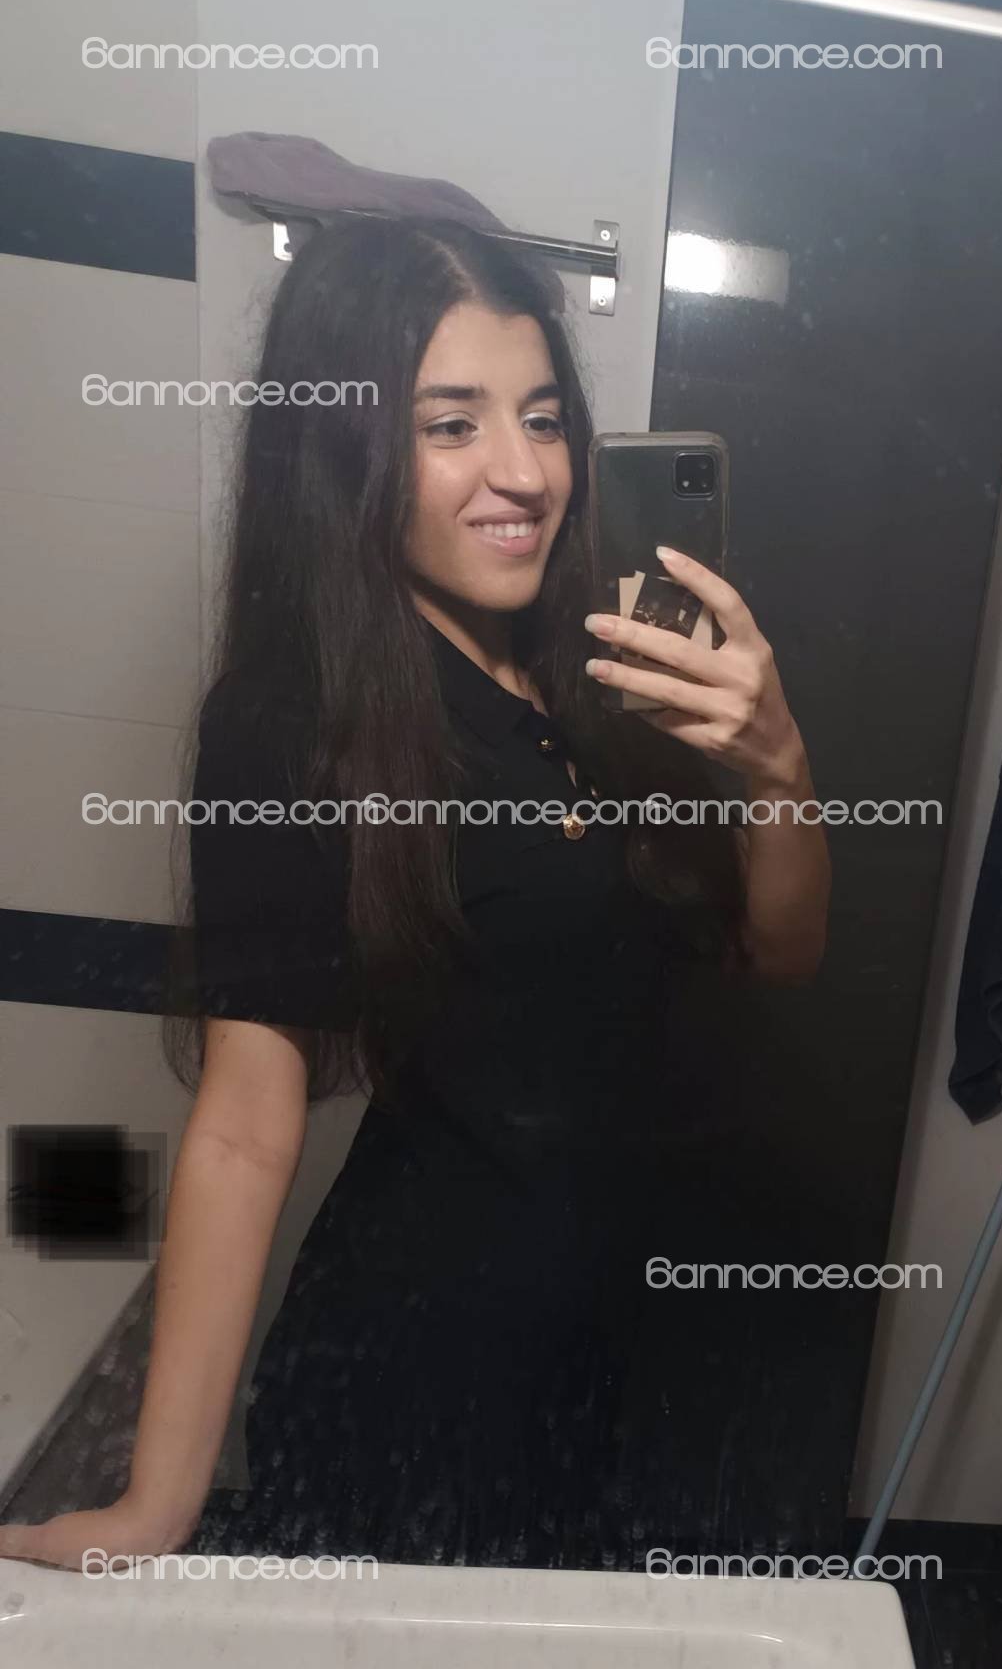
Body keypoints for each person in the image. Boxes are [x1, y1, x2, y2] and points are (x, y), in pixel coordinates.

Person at [0, 218, 829, 1571]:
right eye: (452, 425)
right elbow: (245, 1126)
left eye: (544, 418)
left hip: (656, 1346)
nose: (525, 473)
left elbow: (779, 951)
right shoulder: (295, 724)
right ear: (350, 449)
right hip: (430, 1374)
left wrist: (779, 765)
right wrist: (157, 1508)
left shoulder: (610, 665)